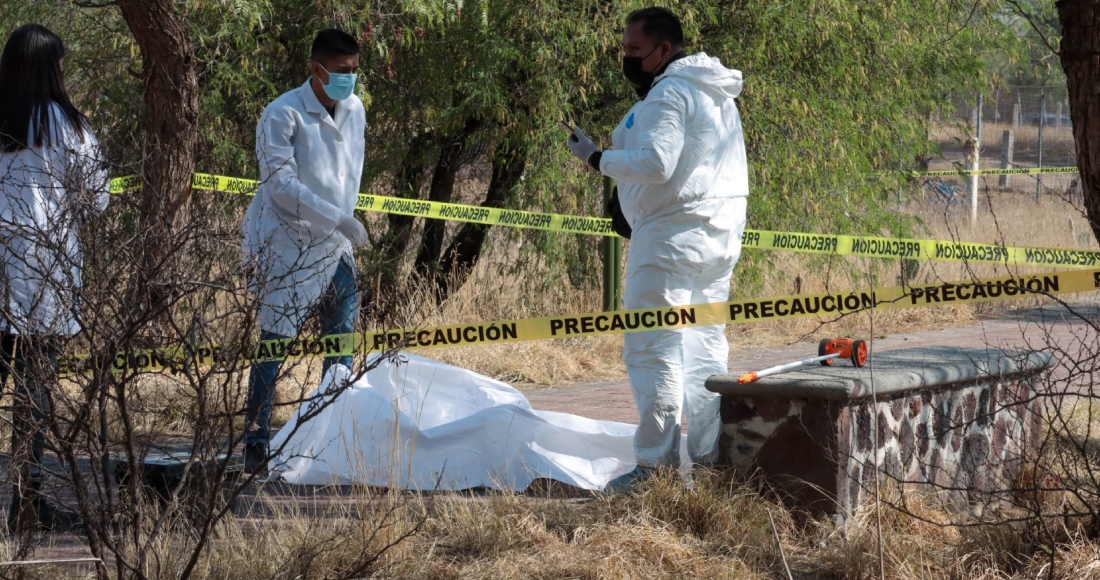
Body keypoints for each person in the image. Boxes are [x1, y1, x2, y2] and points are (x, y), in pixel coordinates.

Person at [565, 7, 749, 490]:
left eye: (633, 51)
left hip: (670, 243)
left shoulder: (669, 93)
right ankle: (709, 461)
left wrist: (597, 158)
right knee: (705, 347)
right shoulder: (715, 95)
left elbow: (656, 162)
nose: (627, 59)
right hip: (717, 238)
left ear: (664, 49)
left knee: (654, 347)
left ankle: (655, 469)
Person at [240, 28, 369, 474]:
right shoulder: (282, 114)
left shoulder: (355, 110)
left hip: (335, 245)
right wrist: (335, 216)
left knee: (340, 341)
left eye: (354, 71)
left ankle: (333, 431)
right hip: (288, 240)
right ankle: (255, 438)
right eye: (340, 71)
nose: (349, 79)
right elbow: (280, 187)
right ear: (316, 69)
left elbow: (347, 174)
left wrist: (341, 222)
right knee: (274, 343)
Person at [0, 24, 109, 530]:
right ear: (52, 69)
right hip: (46, 276)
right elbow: (97, 200)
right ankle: (26, 501)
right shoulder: (72, 128)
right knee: (34, 392)